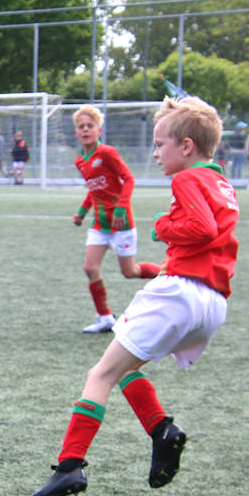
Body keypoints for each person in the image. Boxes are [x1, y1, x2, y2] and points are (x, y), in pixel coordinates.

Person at [26, 96, 239, 496]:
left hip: (179, 292)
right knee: (125, 367)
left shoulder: (187, 179)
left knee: (100, 374)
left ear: (187, 146)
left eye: (160, 144)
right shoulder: (222, 183)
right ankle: (161, 430)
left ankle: (70, 465)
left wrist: (163, 225)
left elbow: (200, 227)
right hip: (213, 302)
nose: (155, 153)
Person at [70, 105, 161, 334]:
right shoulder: (80, 161)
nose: (85, 129)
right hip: (100, 225)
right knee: (90, 267)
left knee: (129, 272)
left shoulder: (107, 153)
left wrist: (121, 209)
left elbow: (128, 179)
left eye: (90, 126)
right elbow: (93, 191)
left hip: (121, 224)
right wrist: (82, 212)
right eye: (81, 126)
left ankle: (168, 272)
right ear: (76, 132)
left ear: (99, 130)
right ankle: (105, 318)